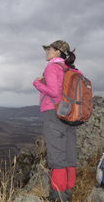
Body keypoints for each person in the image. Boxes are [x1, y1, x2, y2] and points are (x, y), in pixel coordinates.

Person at [33, 40, 81, 202]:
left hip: (53, 113)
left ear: (58, 52)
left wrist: (37, 83)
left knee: (56, 155)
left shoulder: (52, 67)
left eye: (49, 49)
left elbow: (53, 92)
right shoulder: (71, 69)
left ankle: (58, 197)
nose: (46, 51)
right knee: (69, 153)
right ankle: (68, 193)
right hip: (69, 114)